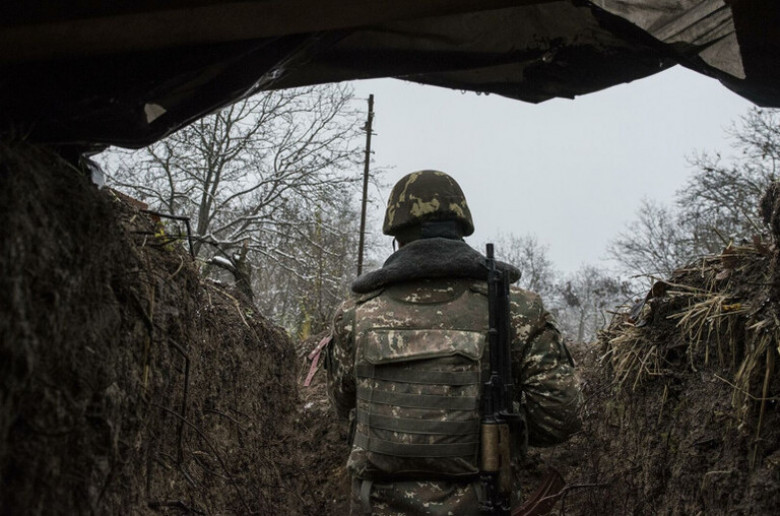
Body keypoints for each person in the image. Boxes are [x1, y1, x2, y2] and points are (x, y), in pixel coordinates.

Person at [326, 170, 581, 515]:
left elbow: (344, 406)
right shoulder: (516, 309)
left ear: (396, 236)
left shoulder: (354, 315)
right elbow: (558, 418)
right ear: (462, 227)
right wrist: (502, 426)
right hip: (481, 503)